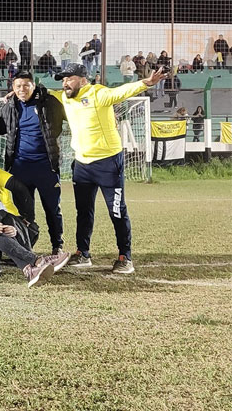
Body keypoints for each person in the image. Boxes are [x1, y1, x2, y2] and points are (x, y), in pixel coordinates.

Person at [50, 62, 167, 273]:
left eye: (70, 78)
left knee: (117, 211)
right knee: (83, 212)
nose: (65, 83)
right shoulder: (65, 97)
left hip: (107, 164)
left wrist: (146, 83)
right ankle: (83, 253)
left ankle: (125, 256)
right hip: (81, 165)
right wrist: (16, 92)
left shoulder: (98, 93)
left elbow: (121, 92)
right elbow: (42, 92)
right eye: (63, 80)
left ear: (83, 79)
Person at [0, 72, 66, 253]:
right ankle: (26, 244)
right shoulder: (10, 106)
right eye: (18, 86)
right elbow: (1, 127)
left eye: (26, 85)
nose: (22, 89)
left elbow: (71, 116)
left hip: (46, 167)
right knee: (23, 212)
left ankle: (57, 245)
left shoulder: (49, 103)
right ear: (13, 88)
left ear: (33, 86)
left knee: (52, 209)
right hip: (20, 167)